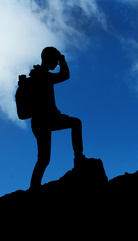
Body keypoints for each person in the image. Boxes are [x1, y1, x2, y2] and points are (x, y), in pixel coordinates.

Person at [29, 46, 86, 189]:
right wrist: (63, 61)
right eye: (55, 60)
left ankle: (34, 186)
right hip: (45, 120)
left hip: (39, 121)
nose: (56, 64)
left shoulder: (38, 75)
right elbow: (65, 75)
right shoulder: (44, 77)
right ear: (50, 59)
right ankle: (78, 158)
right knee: (75, 123)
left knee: (44, 158)